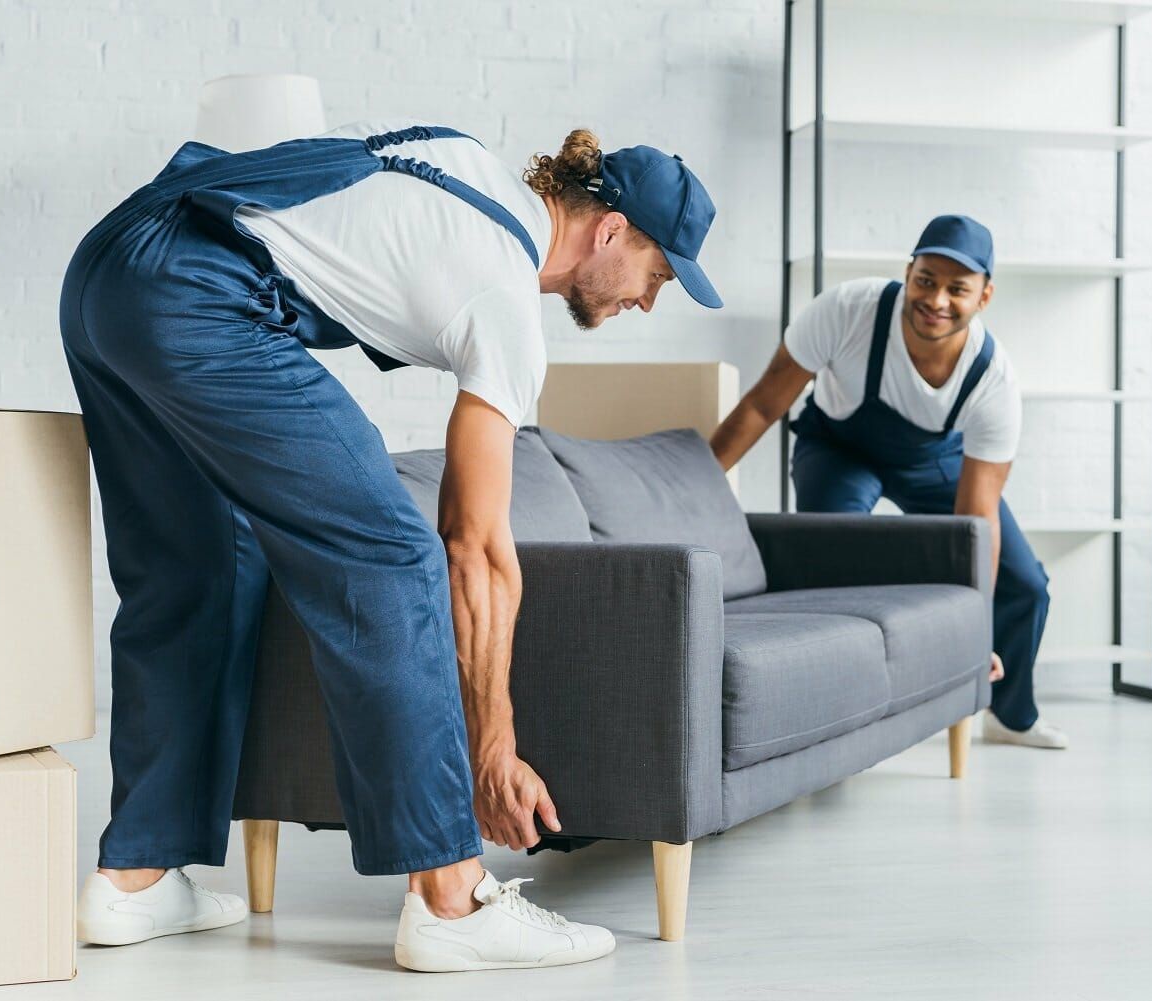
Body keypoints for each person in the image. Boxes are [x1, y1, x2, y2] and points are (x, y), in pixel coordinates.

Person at [62, 119, 721, 972]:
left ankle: (135, 877)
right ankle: (450, 898)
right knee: (391, 558)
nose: (647, 300)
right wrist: (492, 747)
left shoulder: (462, 158)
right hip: (204, 297)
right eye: (658, 274)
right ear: (611, 231)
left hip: (111, 268)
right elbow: (472, 546)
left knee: (196, 568)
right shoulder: (505, 300)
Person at [710, 215, 1066, 750]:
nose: (937, 299)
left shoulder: (993, 380)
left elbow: (977, 520)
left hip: (933, 462)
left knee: (1026, 585)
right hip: (839, 450)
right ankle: (826, 714)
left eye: (958, 289)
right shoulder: (846, 311)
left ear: (984, 297)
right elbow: (763, 405)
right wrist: (698, 485)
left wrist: (976, 633)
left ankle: (1009, 715)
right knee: (828, 556)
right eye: (926, 280)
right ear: (909, 271)